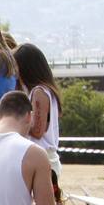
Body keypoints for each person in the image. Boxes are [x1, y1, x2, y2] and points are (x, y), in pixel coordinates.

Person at [14, 43, 62, 176]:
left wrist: (12, 125)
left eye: (15, 65)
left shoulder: (39, 92)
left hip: (43, 159)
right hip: (44, 158)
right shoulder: (43, 91)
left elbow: (37, 131)